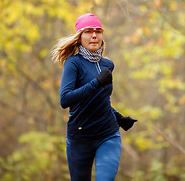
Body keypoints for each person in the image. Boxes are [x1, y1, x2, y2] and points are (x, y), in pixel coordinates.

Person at [52, 13, 137, 181]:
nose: (94, 35)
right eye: (88, 31)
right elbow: (65, 99)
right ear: (79, 38)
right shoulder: (73, 63)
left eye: (98, 31)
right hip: (80, 138)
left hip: (108, 134)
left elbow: (101, 99)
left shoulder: (107, 64)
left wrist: (118, 117)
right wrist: (96, 83)